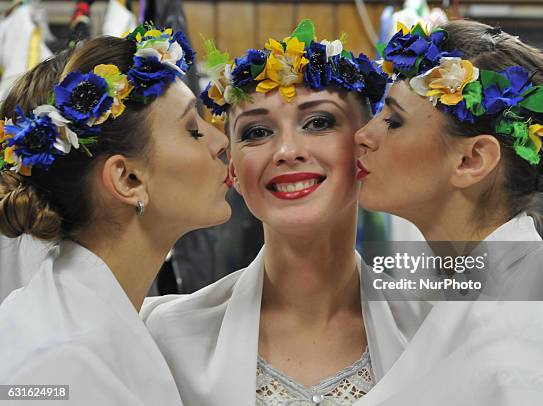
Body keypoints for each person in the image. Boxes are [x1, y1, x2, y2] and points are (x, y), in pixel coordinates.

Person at [141, 20, 428, 405]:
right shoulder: (165, 335)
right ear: (234, 171)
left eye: (319, 122)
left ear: (365, 147)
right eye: (257, 132)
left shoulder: (434, 327)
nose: (286, 151)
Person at [353, 20, 543, 405]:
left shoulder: (532, 332)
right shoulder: (469, 287)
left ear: (471, 159)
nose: (363, 135)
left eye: (393, 121)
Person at [0, 26, 231, 405]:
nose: (220, 141)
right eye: (193, 129)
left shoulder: (106, 314)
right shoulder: (59, 365)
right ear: (128, 179)